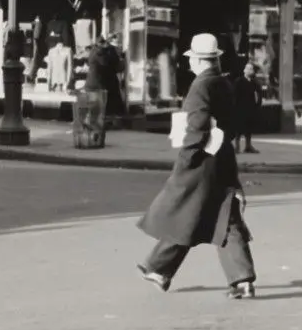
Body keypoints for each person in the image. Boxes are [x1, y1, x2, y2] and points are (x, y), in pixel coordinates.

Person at [136, 33, 257, 300]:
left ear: (202, 61)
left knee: (184, 213)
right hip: (222, 158)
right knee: (226, 218)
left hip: (201, 161)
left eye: (192, 59)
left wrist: (187, 158)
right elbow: (234, 123)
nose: (189, 64)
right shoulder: (224, 84)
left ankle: (158, 269)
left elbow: (197, 126)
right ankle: (242, 280)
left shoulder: (200, 86)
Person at [86, 34, 125, 118]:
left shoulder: (95, 50)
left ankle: (107, 117)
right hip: (104, 79)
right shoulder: (102, 51)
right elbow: (110, 64)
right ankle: (110, 117)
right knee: (108, 100)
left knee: (104, 101)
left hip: (103, 79)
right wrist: (121, 61)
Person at [231, 62, 262, 154]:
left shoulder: (254, 82)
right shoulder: (239, 81)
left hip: (250, 108)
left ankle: (248, 146)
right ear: (244, 70)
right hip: (240, 108)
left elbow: (258, 94)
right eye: (247, 68)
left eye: (251, 69)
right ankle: (237, 146)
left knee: (249, 127)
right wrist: (234, 108)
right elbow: (234, 95)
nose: (249, 70)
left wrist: (257, 105)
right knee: (239, 128)